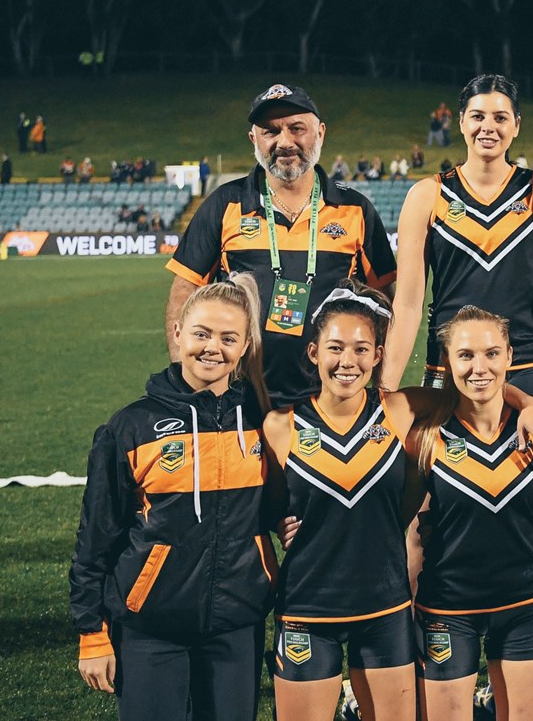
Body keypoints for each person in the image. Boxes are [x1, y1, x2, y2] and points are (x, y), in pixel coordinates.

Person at [71, 276, 275, 720]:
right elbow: (96, 537)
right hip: (150, 627)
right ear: (178, 333)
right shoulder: (130, 427)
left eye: (228, 338)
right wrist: (92, 631)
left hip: (237, 624)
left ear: (244, 347)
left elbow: (279, 508)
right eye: (201, 333)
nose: (211, 348)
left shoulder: (265, 422)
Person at [166, 83, 397, 409]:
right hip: (239, 400)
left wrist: (382, 387)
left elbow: (387, 302)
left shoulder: (355, 208)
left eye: (296, 128)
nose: (284, 142)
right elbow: (185, 291)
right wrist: (185, 379)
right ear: (254, 140)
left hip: (331, 401)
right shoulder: (224, 204)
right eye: (270, 131)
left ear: (320, 133)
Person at [262, 284, 426, 721]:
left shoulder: (401, 409)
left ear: (377, 355)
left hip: (385, 605)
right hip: (308, 606)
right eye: (335, 347)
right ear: (314, 352)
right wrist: (280, 521)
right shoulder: (281, 425)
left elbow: (477, 390)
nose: (347, 361)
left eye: (360, 348)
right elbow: (265, 506)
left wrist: (525, 403)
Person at [406, 307, 533, 721]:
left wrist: (526, 401)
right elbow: (403, 526)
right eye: (466, 355)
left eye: (492, 354)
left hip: (526, 603)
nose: (480, 367)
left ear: (510, 356)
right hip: (448, 608)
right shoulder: (425, 437)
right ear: (447, 360)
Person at [383, 75, 533, 397]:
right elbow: (409, 303)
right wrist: (384, 390)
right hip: (452, 364)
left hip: (530, 363)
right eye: (478, 116)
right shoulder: (428, 195)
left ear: (516, 125)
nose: (488, 127)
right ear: (461, 121)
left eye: (500, 118)